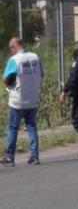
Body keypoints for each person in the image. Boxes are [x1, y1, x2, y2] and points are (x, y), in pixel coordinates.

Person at [2, 38, 43, 167]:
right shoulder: (35, 57)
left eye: (10, 49)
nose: (10, 52)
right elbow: (42, 74)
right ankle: (34, 156)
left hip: (18, 99)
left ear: (13, 47)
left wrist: (11, 81)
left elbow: (5, 79)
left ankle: (10, 157)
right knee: (31, 127)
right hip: (33, 98)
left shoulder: (14, 60)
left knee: (13, 128)